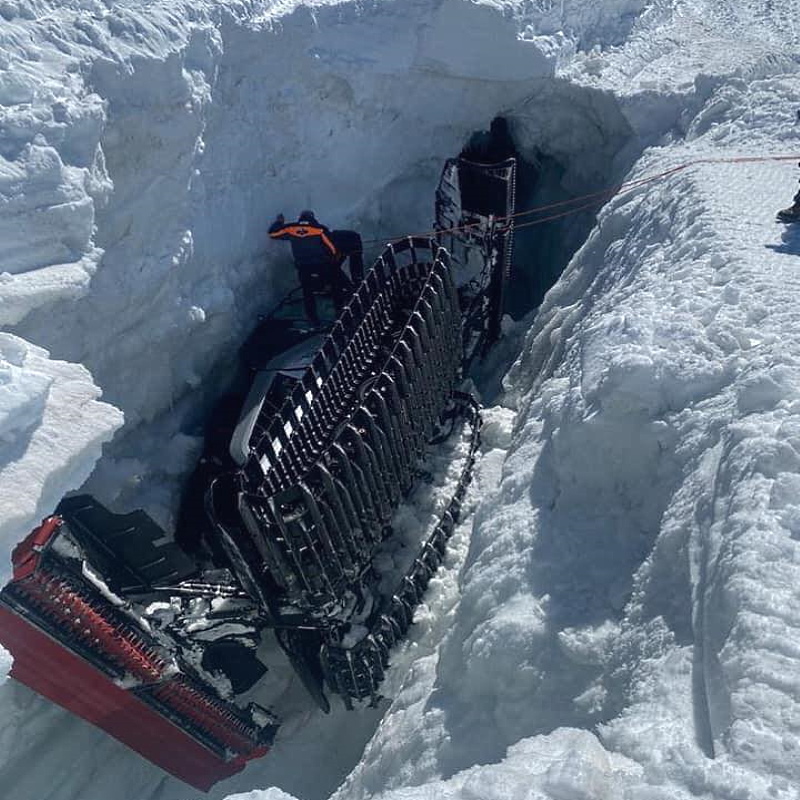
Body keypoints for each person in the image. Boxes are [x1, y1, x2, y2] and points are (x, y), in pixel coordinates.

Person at [268, 210, 364, 323]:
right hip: (321, 265)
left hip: (303, 267)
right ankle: (340, 311)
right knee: (335, 285)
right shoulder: (319, 229)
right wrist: (335, 256)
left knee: (307, 292)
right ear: (312, 218)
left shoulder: (291, 229)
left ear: (300, 218)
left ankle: (312, 318)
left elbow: (273, 234)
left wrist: (279, 222)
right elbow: (331, 247)